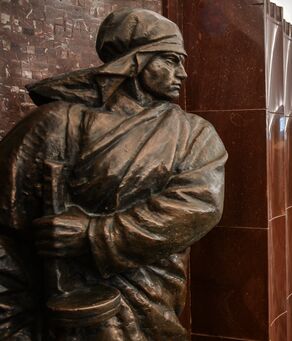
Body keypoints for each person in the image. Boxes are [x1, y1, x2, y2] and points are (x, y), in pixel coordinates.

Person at [0, 8, 227, 339]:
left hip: (151, 303)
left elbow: (198, 206)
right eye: (170, 59)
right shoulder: (52, 125)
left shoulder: (192, 134)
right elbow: (6, 234)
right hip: (56, 315)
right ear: (136, 62)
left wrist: (93, 234)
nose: (183, 73)